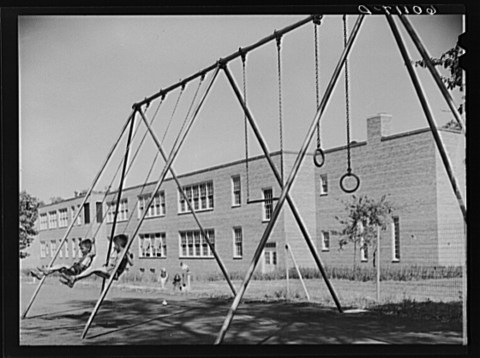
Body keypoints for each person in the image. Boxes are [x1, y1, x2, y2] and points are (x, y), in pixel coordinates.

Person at [60, 234, 133, 288]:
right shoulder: (118, 252)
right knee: (92, 270)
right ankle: (74, 280)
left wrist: (126, 253)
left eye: (115, 245)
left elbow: (131, 263)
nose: (114, 246)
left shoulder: (124, 253)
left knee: (92, 268)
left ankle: (74, 278)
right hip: (109, 270)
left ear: (119, 244)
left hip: (113, 273)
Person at [30, 238, 96, 279]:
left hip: (76, 271)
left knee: (62, 265)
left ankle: (47, 270)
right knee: (58, 268)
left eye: (82, 249)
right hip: (74, 269)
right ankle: (41, 274)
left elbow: (93, 253)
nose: (81, 250)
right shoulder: (85, 256)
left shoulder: (88, 256)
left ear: (88, 249)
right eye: (81, 248)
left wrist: (93, 244)